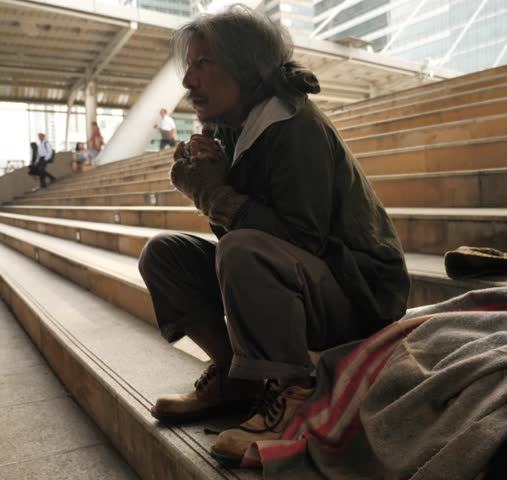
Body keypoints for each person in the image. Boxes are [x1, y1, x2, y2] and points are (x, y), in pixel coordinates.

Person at [137, 5, 410, 466]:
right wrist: (215, 183)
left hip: (359, 293)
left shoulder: (291, 125)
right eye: (190, 65)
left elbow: (297, 242)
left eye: (204, 63)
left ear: (246, 65)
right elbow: (246, 237)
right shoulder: (236, 129)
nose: (188, 81)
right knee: (163, 254)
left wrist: (214, 194)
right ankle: (235, 377)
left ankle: (292, 393)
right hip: (305, 277)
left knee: (242, 250)